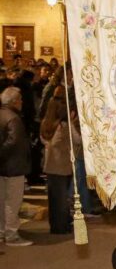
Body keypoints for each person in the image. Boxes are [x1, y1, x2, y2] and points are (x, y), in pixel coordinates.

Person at [40, 92, 79, 235]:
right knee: (62, 199)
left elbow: (44, 141)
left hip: (50, 165)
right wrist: (73, 123)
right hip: (62, 167)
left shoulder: (46, 123)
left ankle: (55, 225)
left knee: (53, 199)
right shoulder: (64, 126)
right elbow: (77, 141)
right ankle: (61, 226)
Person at [0, 86, 32, 246]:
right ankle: (11, 234)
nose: (21, 102)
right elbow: (14, 142)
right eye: (19, 99)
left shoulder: (2, 114)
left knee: (2, 200)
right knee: (13, 201)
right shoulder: (13, 118)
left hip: (3, 166)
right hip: (13, 165)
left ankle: (2, 231)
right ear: (13, 101)